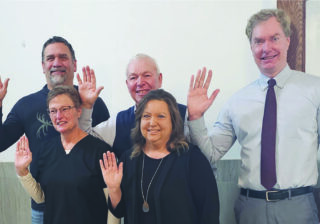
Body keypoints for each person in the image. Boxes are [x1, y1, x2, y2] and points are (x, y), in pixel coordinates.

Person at [187, 9, 320, 224]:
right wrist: (195, 117)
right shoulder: (237, 101)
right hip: (251, 208)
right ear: (251, 47)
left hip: (299, 206)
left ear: (287, 40)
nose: (266, 48)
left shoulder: (315, 90)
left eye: (274, 38)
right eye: (259, 41)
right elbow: (210, 154)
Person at [0, 36, 110, 224]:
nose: (57, 63)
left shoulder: (93, 102)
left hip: (88, 208)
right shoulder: (26, 106)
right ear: (43, 66)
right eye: (50, 58)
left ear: (74, 65)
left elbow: (104, 152)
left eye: (63, 57)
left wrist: (88, 106)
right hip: (43, 208)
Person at [100, 89, 220, 224]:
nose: (152, 122)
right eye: (146, 116)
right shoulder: (128, 159)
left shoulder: (193, 160)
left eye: (161, 116)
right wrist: (114, 188)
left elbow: (209, 214)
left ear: (173, 121)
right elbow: (119, 211)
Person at [15, 86, 112, 224]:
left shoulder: (100, 151)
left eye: (64, 109)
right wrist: (22, 171)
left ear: (79, 111)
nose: (59, 116)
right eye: (53, 111)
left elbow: (112, 203)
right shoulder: (46, 151)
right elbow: (41, 197)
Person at [79, 53, 188, 159]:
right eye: (133, 77)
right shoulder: (119, 122)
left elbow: (201, 152)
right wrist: (87, 106)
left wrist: (197, 117)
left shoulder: (184, 114)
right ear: (127, 84)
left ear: (159, 79)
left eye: (147, 75)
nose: (140, 82)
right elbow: (85, 141)